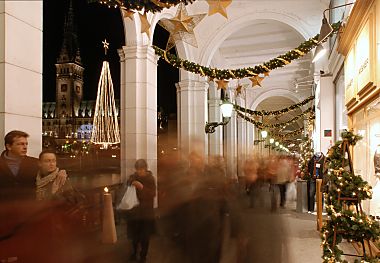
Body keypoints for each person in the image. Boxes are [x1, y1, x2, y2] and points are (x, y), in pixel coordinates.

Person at [126, 159, 156, 263]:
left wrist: (142, 187)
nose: (139, 171)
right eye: (138, 169)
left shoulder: (150, 179)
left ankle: (143, 256)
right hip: (135, 212)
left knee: (145, 236)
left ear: (145, 169)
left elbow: (152, 194)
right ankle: (134, 253)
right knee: (134, 236)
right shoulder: (134, 176)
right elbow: (128, 181)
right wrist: (132, 182)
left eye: (141, 169)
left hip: (146, 213)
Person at [0, 130, 39, 200]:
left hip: (28, 208)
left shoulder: (35, 163)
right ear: (9, 146)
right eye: (20, 144)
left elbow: (51, 170)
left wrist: (62, 172)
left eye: (26, 144)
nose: (25, 147)